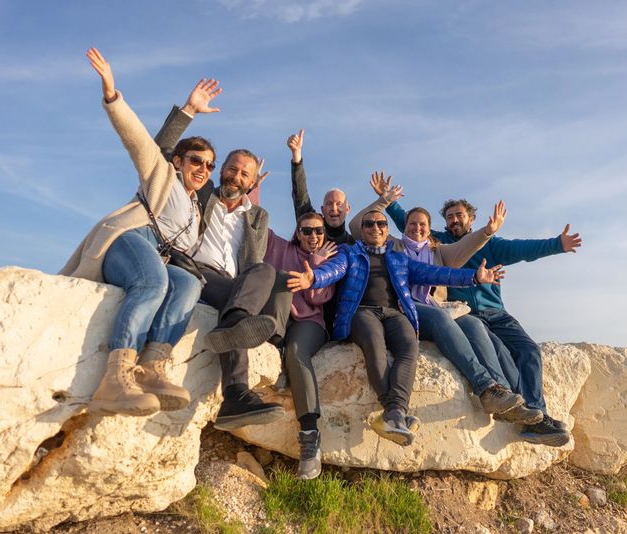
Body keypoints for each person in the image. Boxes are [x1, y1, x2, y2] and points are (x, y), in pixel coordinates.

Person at [61, 48, 222, 416]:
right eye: (196, 160)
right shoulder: (161, 174)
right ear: (179, 161)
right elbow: (136, 138)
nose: (203, 168)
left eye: (209, 165)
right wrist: (112, 95)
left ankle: (151, 368)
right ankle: (114, 379)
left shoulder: (199, 207)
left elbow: (236, 198)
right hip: (131, 240)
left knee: (189, 285)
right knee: (153, 283)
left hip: (164, 257)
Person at [286, 210, 505, 447]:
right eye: (369, 224)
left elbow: (434, 273)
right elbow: (333, 270)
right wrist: (314, 279)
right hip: (362, 312)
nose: (375, 228)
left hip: (394, 313)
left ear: (388, 230)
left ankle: (395, 412)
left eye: (381, 223)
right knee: (374, 342)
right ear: (363, 229)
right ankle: (393, 410)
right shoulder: (350, 253)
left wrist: (473, 277)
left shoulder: (398, 258)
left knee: (409, 346)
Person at [384, 195, 582, 446]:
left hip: (495, 312)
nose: (454, 220)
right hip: (464, 312)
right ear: (443, 223)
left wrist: (557, 244)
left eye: (459, 215)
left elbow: (522, 250)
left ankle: (536, 415)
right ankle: (511, 403)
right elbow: (411, 223)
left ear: (472, 219)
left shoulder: (488, 244)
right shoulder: (437, 243)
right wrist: (388, 202)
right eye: (450, 217)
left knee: (529, 351)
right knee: (501, 352)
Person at [349, 173, 543, 425]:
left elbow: (465, 247)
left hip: (434, 307)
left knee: (473, 324)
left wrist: (487, 231)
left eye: (422, 225)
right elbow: (356, 226)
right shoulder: (392, 246)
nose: (417, 228)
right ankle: (484, 386)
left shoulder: (437, 250)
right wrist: (384, 201)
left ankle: (502, 394)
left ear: (430, 230)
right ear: (403, 227)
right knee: (441, 317)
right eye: (412, 224)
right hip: (406, 309)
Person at [152, 103, 292, 433]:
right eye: (232, 169)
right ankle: (237, 394)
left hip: (232, 284)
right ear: (221, 170)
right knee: (239, 316)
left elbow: (253, 261)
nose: (236, 176)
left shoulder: (257, 216)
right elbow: (160, 153)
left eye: (245, 173)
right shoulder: (199, 193)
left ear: (253, 181)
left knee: (265, 272)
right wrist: (187, 111)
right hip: (194, 272)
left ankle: (235, 340)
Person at [262, 213, 336, 479]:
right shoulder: (280, 247)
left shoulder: (327, 260)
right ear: (297, 232)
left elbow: (318, 300)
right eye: (306, 231)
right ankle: (276, 345)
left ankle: (309, 435)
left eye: (318, 231)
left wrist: (316, 265)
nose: (313, 236)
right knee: (281, 278)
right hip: (278, 321)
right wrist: (251, 188)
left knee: (297, 352)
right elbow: (254, 218)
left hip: (310, 323)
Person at [287, 129, 354, 245]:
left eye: (339, 204)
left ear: (348, 208)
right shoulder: (311, 226)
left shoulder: (354, 244)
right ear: (322, 210)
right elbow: (301, 197)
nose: (334, 208)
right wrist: (296, 156)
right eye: (329, 204)